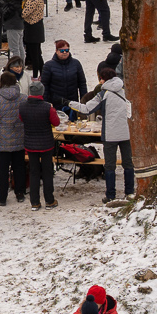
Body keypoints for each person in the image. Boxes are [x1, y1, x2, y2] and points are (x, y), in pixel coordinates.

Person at [70, 62, 132, 202]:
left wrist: (69, 103)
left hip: (110, 134)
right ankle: (129, 192)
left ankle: (110, 195)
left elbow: (86, 109)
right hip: (125, 132)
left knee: (110, 165)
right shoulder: (125, 91)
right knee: (128, 163)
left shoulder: (103, 93)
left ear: (103, 79)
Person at [19, 79, 60, 209]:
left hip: (30, 144)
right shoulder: (48, 107)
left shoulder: (22, 107)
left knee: (34, 172)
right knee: (47, 171)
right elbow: (56, 122)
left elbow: (21, 119)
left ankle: (35, 202)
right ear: (42, 92)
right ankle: (49, 200)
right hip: (46, 143)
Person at [0, 69, 26, 205]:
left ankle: (2, 197)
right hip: (19, 138)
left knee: (2, 170)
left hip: (2, 140)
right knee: (19, 167)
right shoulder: (23, 98)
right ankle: (20, 193)